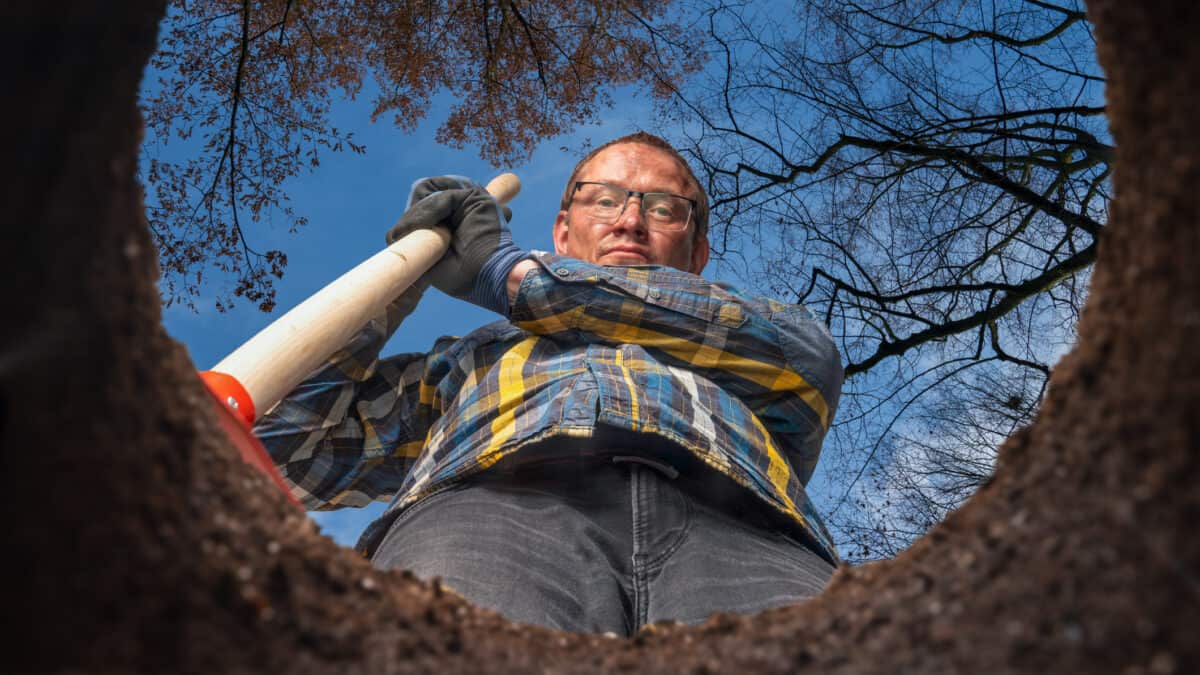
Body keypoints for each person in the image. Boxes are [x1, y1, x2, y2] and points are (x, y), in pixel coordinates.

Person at [256, 132, 843, 635]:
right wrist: (397, 288)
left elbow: (809, 362)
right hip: (488, 519)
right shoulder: (471, 362)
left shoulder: (765, 336)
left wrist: (503, 272)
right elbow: (286, 454)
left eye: (663, 208)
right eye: (604, 199)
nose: (630, 220)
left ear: (697, 254)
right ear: (563, 232)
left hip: (750, 533)